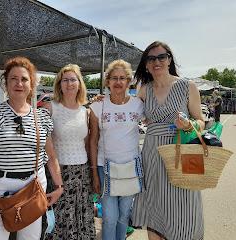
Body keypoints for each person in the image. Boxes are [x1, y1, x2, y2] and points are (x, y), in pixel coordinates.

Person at [0, 56, 64, 240]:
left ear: (31, 84)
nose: (19, 83)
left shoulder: (42, 117)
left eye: (24, 79)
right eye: (13, 79)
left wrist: (59, 186)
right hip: (0, 189)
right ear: (5, 84)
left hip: (33, 188)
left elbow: (51, 156)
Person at [131, 41, 205, 240]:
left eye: (161, 57)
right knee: (155, 206)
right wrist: (100, 102)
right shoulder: (144, 90)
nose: (157, 62)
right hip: (152, 156)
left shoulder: (187, 86)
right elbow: (125, 110)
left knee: (185, 204)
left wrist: (189, 125)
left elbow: (201, 122)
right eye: (151, 58)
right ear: (146, 64)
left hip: (182, 153)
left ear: (169, 60)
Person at [89, 59, 144, 240]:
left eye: (122, 78)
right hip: (105, 168)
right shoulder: (97, 106)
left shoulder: (139, 104)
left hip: (130, 168)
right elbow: (93, 140)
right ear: (108, 81)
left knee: (123, 217)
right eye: (114, 78)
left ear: (129, 81)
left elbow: (155, 119)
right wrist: (94, 174)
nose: (118, 82)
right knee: (110, 218)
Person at [43, 64, 96, 239]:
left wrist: (92, 172)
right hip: (59, 173)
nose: (69, 83)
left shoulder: (85, 111)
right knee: (60, 219)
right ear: (59, 84)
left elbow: (87, 144)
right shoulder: (50, 108)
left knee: (81, 217)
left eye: (73, 79)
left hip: (82, 172)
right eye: (64, 80)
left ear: (80, 84)